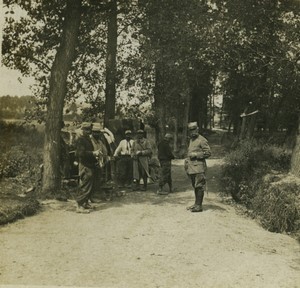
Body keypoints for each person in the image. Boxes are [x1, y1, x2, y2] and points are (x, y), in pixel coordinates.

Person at [184, 122, 211, 212]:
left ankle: (199, 206)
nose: (193, 132)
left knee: (199, 186)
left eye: (194, 129)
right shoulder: (191, 140)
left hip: (199, 168)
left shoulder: (202, 140)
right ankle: (196, 204)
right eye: (191, 130)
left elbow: (208, 153)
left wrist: (196, 154)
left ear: (197, 129)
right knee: (195, 186)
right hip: (191, 168)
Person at [75, 122, 99, 213]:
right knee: (85, 185)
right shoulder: (81, 140)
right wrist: (92, 153)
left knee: (90, 184)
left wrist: (94, 155)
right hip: (85, 165)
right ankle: (79, 205)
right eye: (86, 130)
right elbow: (80, 154)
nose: (89, 131)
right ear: (83, 130)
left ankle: (85, 203)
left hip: (90, 164)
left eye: (90, 130)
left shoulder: (87, 139)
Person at [90, 123, 109, 202]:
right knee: (91, 180)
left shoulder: (100, 142)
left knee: (98, 180)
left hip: (99, 163)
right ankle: (90, 197)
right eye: (95, 132)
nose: (96, 134)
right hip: (91, 163)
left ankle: (95, 196)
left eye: (98, 132)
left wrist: (105, 157)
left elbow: (105, 151)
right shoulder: (90, 141)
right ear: (92, 132)